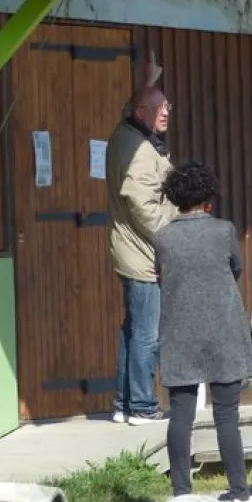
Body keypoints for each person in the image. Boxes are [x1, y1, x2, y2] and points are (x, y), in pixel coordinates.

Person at [157, 162, 252, 502]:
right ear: (208, 195)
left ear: (175, 198)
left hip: (180, 329)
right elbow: (236, 268)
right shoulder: (224, 230)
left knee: (180, 414)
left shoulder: (163, 237)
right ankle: (239, 492)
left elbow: (161, 275)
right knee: (227, 415)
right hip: (222, 327)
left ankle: (181, 493)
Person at [106, 86, 176, 425]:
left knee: (133, 329)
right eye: (158, 106)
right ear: (138, 111)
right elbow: (140, 201)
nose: (166, 111)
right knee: (147, 333)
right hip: (143, 252)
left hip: (133, 248)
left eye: (167, 105)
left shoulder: (131, 137)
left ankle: (124, 403)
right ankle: (143, 406)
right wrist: (170, 235)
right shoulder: (138, 148)